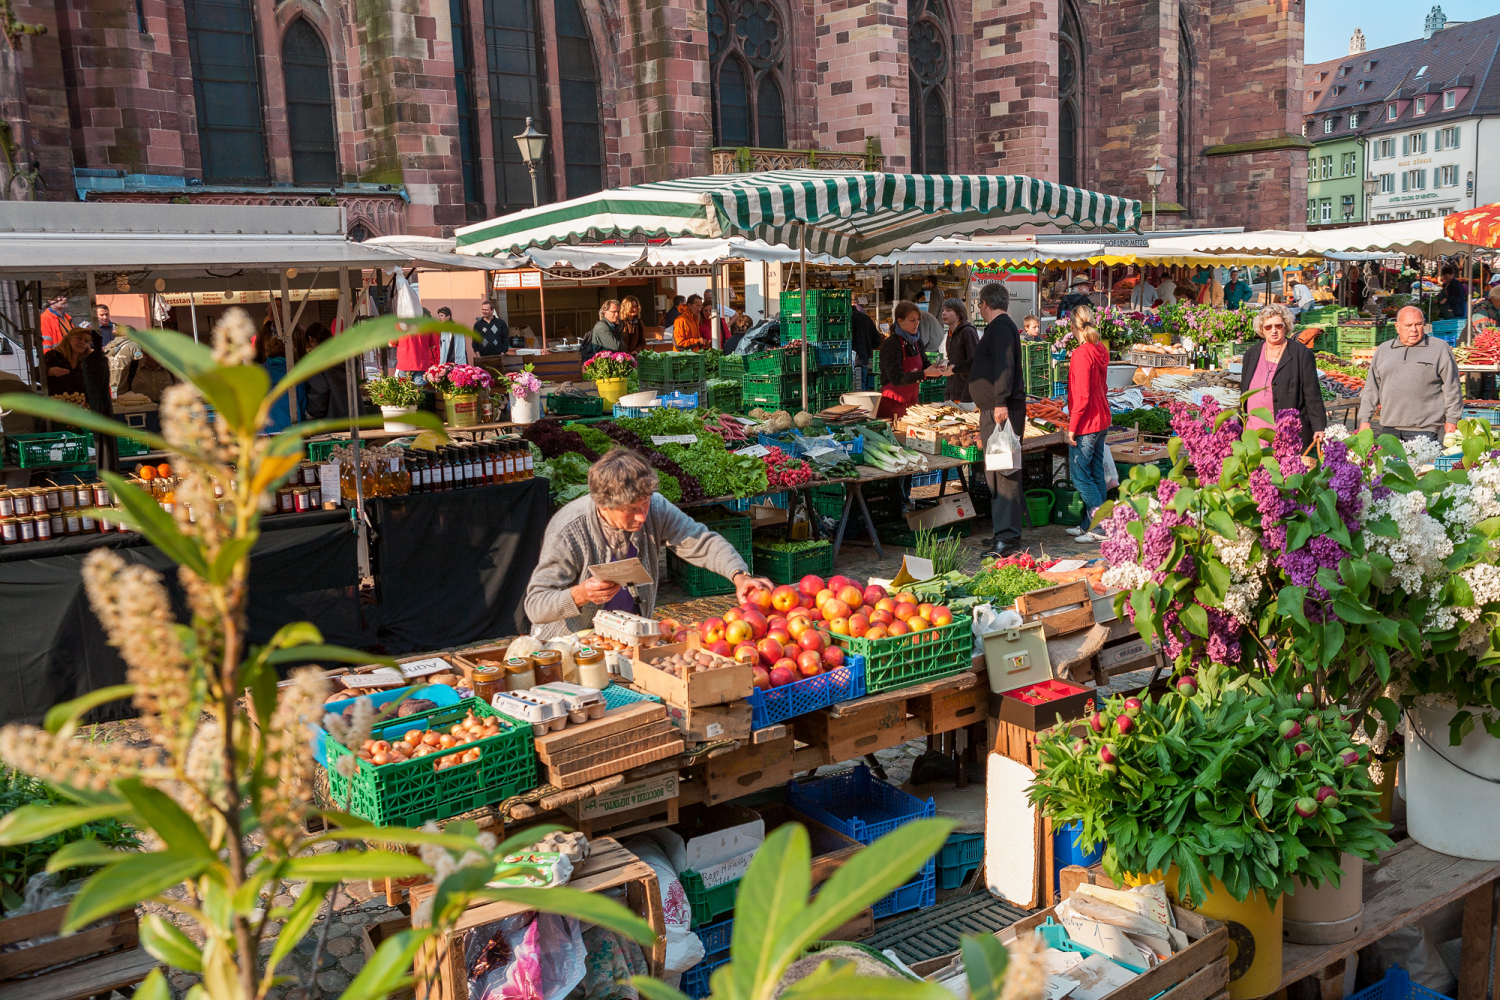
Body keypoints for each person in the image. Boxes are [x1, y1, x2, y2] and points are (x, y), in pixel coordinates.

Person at [525, 448, 775, 639]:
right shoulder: (569, 529)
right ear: (603, 505)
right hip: (570, 645)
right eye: (630, 510)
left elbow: (701, 541)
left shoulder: (655, 507)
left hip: (629, 638)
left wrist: (739, 575)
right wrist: (579, 594)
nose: (642, 516)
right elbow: (535, 605)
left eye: (644, 503)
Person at [968, 282, 1027, 559]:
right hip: (994, 409)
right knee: (996, 471)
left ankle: (1008, 538)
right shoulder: (999, 327)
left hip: (1001, 410)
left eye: (979, 304)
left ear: (984, 304)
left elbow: (1005, 365)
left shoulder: (1002, 326)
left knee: (1005, 474)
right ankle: (1001, 532)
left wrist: (1001, 402)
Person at [1357, 304, 1462, 444]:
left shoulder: (1439, 348)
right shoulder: (1384, 350)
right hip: (1390, 426)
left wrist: (1452, 419)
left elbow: (1452, 387)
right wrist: (1364, 419)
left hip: (1425, 428)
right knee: (1389, 465)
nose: (1414, 330)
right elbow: (1371, 388)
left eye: (1418, 324)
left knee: (1421, 466)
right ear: (1397, 327)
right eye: (1408, 325)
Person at [1240, 304, 1326, 450]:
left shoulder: (1301, 354)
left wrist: (1319, 426)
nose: (1273, 331)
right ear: (1261, 329)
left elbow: (1312, 393)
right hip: (1254, 434)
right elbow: (1244, 392)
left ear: (1285, 326)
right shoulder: (1251, 354)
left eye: (1278, 326)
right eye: (1268, 327)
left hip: (1287, 433)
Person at [1063, 305, 1111, 543]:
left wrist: (1072, 427)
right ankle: (1089, 524)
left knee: (1081, 476)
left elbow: (1081, 396)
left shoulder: (1081, 354)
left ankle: (1101, 526)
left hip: (1088, 422)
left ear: (1073, 326)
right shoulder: (1100, 348)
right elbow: (1101, 387)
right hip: (1101, 417)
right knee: (1095, 474)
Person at [878, 302, 949, 421]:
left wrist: (937, 371)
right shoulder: (892, 344)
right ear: (900, 321)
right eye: (912, 320)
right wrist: (925, 373)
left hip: (913, 407)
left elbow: (925, 366)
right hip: (893, 406)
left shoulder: (917, 342)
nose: (916, 324)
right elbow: (896, 378)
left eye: (918, 320)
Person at [258, 334, 307, 434]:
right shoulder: (295, 372)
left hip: (265, 430)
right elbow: (303, 403)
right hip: (292, 429)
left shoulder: (259, 372)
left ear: (268, 351)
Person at [303, 324, 349, 420]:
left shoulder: (317, 361)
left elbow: (319, 389)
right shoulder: (344, 355)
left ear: (311, 339)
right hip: (353, 414)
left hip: (331, 417)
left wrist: (314, 413)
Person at [941, 298, 979, 406]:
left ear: (958, 313)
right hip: (954, 393)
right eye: (943, 310)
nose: (944, 313)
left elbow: (975, 362)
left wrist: (966, 397)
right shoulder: (950, 335)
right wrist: (948, 395)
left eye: (948, 310)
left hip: (966, 395)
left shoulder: (968, 332)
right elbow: (952, 362)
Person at [43, 326, 92, 397]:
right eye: (79, 338)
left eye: (86, 341)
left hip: (80, 405)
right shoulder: (53, 355)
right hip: (56, 403)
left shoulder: (86, 362)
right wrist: (50, 371)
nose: (83, 343)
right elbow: (37, 374)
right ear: (69, 339)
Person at [849, 303, 879, 392]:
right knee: (862, 391)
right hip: (863, 360)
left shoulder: (844, 320)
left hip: (849, 363)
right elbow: (877, 340)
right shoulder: (865, 318)